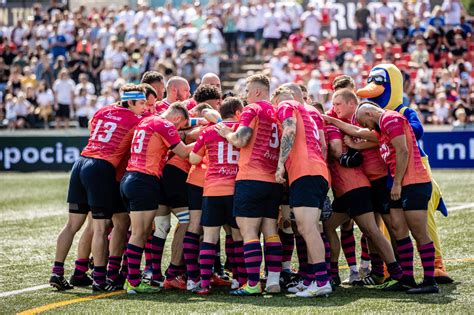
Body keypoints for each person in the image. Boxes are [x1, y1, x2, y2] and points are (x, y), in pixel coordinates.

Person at [50, 84, 148, 292]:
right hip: (101, 168)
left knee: (72, 225)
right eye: (141, 103)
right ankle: (100, 279)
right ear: (130, 102)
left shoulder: (102, 111)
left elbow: (92, 129)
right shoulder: (136, 120)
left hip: (81, 162)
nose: (145, 108)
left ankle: (57, 272)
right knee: (101, 228)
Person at [322, 90, 407, 291]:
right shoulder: (338, 122)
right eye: (332, 105)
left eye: (338, 103)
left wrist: (345, 151)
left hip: (361, 186)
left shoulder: (361, 119)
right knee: (328, 226)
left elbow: (374, 139)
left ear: (353, 103)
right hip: (350, 189)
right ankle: (335, 274)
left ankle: (398, 273)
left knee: (376, 230)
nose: (334, 108)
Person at [352, 102, 439, 294]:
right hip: (400, 184)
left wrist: (397, 182)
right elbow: (357, 132)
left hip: (414, 182)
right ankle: (407, 278)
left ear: (368, 113)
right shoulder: (383, 127)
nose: (366, 126)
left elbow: (403, 151)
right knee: (397, 228)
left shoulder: (390, 119)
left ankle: (430, 280)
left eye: (364, 121)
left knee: (419, 232)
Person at [216, 74, 283, 295]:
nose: (245, 95)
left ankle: (253, 283)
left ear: (256, 91)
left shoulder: (252, 109)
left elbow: (242, 139)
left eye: (247, 90)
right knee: (271, 230)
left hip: (251, 177)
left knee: (249, 232)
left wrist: (227, 133)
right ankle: (273, 280)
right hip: (273, 178)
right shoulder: (277, 112)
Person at [121, 102, 193, 294]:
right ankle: (133, 280)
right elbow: (184, 152)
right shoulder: (166, 125)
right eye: (179, 127)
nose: (177, 131)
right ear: (177, 119)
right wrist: (208, 137)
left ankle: (133, 277)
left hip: (130, 177)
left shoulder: (148, 121)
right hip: (144, 179)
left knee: (141, 231)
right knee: (139, 233)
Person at [271, 86, 331, 298]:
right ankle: (313, 278)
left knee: (308, 230)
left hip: (305, 172)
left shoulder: (286, 105)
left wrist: (280, 165)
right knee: (312, 228)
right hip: (317, 171)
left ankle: (322, 281)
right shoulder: (308, 111)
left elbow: (289, 130)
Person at [189, 97, 245, 295]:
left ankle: (204, 284)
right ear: (238, 111)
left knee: (210, 237)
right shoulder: (241, 128)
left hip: (212, 188)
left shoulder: (209, 131)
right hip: (236, 189)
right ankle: (239, 280)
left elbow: (193, 158)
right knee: (238, 236)